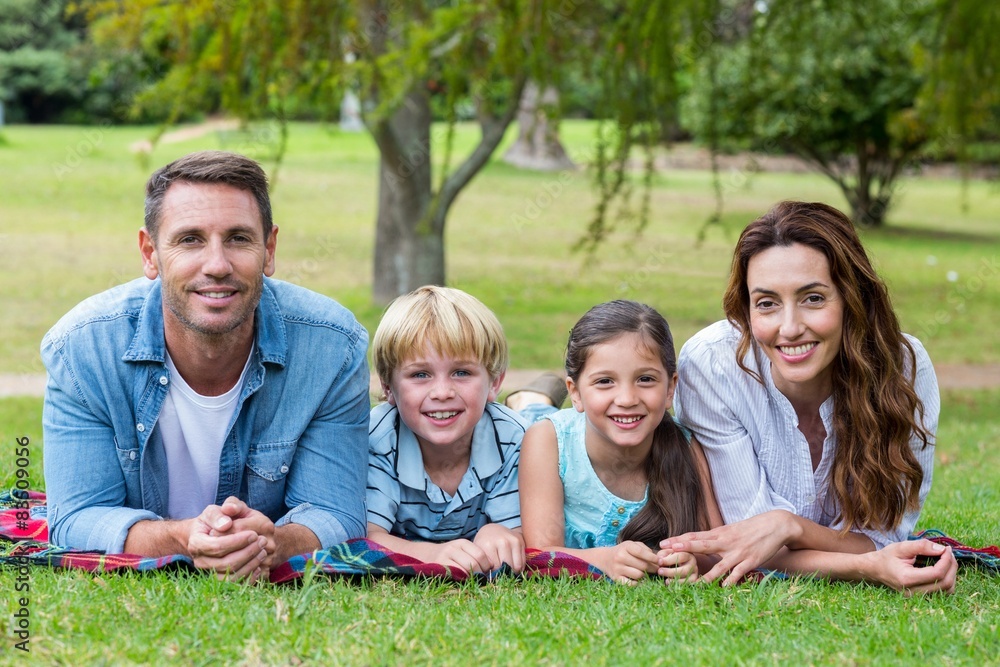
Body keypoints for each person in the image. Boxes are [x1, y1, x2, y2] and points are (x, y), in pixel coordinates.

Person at [41, 150, 371, 583]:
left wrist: (273, 542)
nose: (217, 265)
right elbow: (75, 518)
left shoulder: (332, 348)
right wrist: (184, 537)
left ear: (269, 249)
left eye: (238, 238)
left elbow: (337, 513)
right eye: (190, 239)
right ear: (150, 253)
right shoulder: (82, 349)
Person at [665, 200, 957, 595]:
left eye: (813, 298)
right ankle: (547, 395)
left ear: (853, 300)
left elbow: (883, 538)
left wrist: (790, 526)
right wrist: (867, 567)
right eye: (766, 304)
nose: (789, 328)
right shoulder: (712, 365)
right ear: (746, 310)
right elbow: (748, 541)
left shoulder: (904, 369)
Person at [518, 300, 724, 584]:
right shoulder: (547, 440)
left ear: (670, 388)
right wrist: (604, 559)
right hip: (552, 421)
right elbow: (539, 555)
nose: (627, 399)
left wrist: (690, 562)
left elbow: (713, 549)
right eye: (605, 381)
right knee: (532, 413)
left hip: (597, 418)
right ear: (575, 392)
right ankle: (531, 399)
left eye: (645, 379)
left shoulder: (686, 446)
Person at [366, 286, 527, 574]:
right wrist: (431, 553)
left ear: (494, 383)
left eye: (461, 372)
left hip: (522, 418)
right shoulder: (377, 441)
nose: (442, 392)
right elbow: (368, 537)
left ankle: (531, 401)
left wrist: (502, 534)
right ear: (388, 388)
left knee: (539, 422)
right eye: (420, 374)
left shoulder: (514, 439)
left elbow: (525, 534)